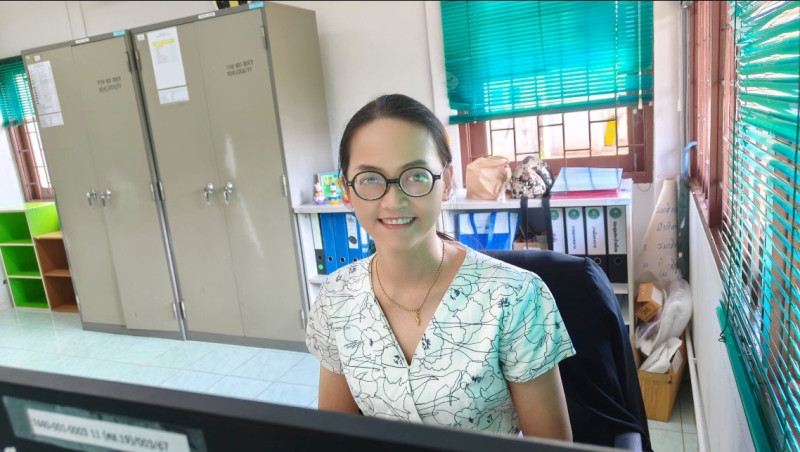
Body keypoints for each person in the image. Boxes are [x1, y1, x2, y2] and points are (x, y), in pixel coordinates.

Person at [305, 94, 575, 440]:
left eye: (416, 175)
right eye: (370, 178)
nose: (393, 201)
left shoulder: (515, 297)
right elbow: (333, 435)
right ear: (348, 191)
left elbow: (552, 447)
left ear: (446, 182)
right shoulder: (336, 297)